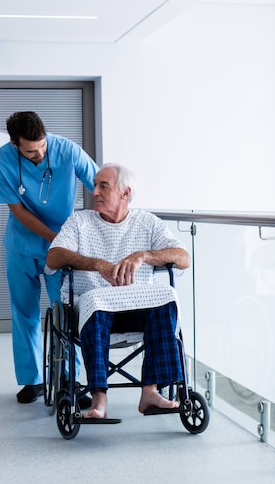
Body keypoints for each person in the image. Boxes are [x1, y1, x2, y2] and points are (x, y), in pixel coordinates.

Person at [45, 163, 190, 419]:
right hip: (94, 311)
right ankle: (99, 399)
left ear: (125, 192)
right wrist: (97, 264)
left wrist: (143, 255)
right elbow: (54, 256)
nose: (95, 191)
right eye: (95, 185)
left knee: (166, 298)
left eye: (104, 186)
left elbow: (182, 257)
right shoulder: (80, 222)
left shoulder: (147, 222)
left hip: (137, 309)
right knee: (96, 304)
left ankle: (151, 392)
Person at [0, 111, 99, 404]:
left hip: (61, 249)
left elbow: (100, 184)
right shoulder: (0, 160)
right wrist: (56, 239)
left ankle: (69, 381)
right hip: (22, 245)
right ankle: (32, 380)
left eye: (42, 148)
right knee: (24, 312)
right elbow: (17, 209)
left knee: (66, 313)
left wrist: (110, 221)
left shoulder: (67, 150)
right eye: (30, 151)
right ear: (14, 144)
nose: (38, 155)